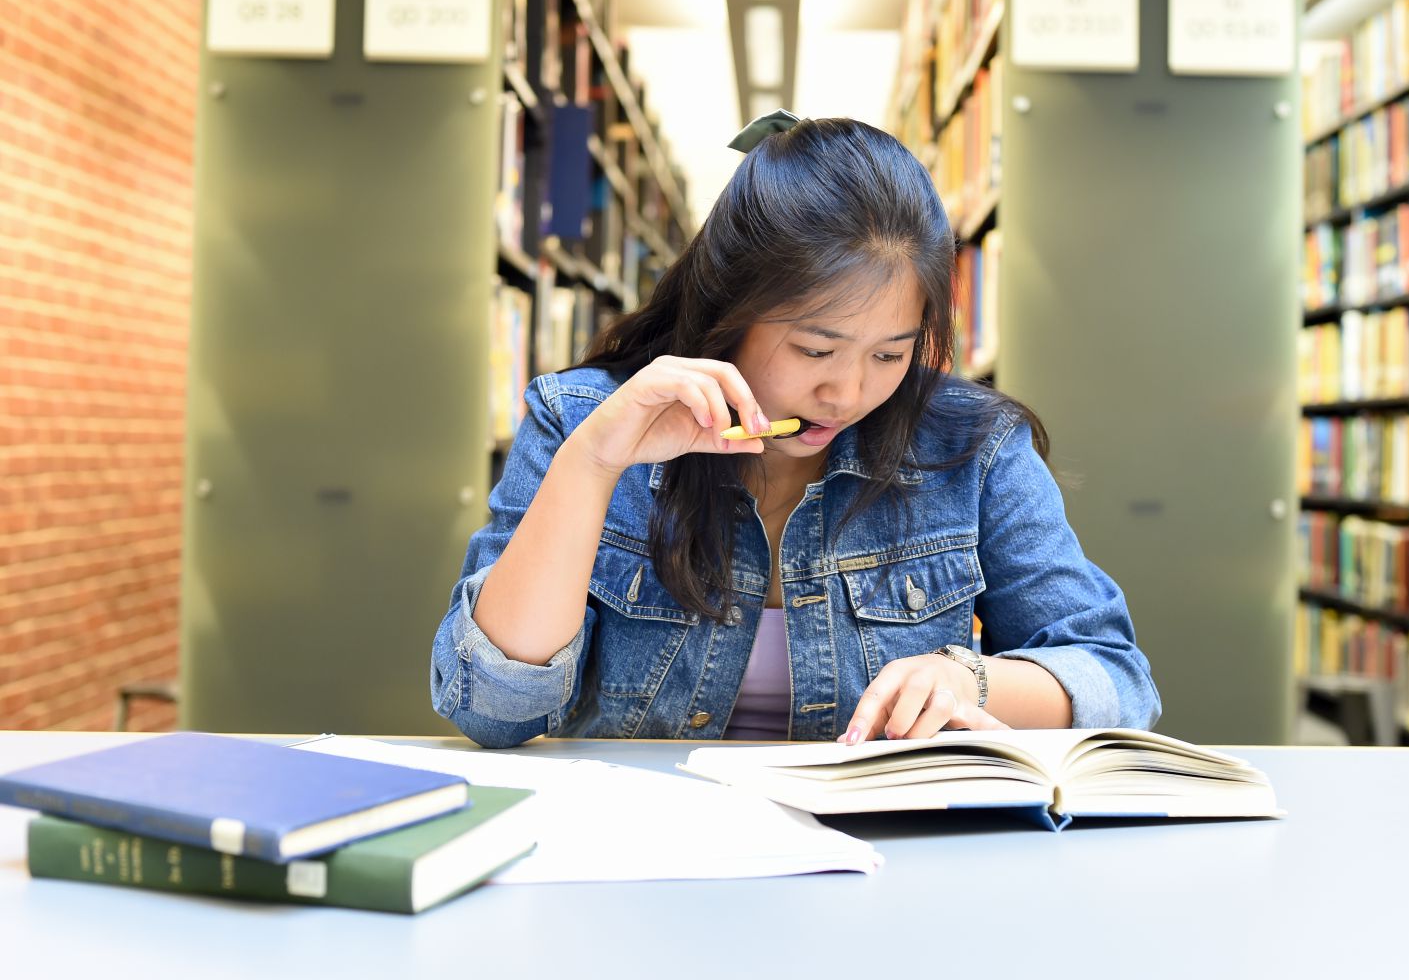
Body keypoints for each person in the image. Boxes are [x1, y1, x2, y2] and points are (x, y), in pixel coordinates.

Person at [430, 113, 1159, 748]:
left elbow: (1117, 681)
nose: (846, 393)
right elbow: (493, 712)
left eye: (889, 354)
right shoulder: (580, 419)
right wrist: (591, 464)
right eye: (815, 349)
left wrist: (968, 679)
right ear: (730, 309)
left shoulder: (974, 449)